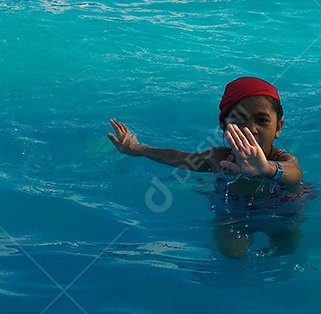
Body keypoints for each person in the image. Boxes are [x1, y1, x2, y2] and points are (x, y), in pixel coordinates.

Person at [109, 77, 303, 257]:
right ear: (224, 127)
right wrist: (137, 149)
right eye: (239, 120)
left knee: (286, 249)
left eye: (262, 120)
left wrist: (267, 169)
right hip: (233, 214)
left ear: (278, 127)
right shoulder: (218, 158)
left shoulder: (281, 158)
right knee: (232, 252)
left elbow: (295, 173)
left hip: (280, 213)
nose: (251, 128)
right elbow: (178, 158)